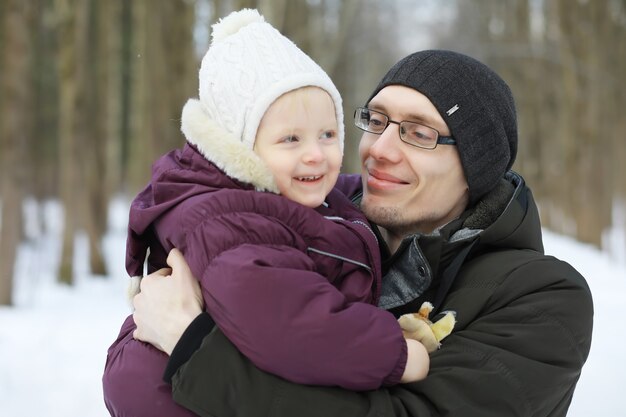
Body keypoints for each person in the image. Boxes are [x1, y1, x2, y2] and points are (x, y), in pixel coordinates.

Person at [131, 48, 594, 417]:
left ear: (477, 165)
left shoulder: (544, 298)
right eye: (376, 120)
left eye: (420, 133)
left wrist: (193, 348)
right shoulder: (304, 226)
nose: (380, 149)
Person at [102, 9, 433, 417]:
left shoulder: (280, 197)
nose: (315, 154)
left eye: (327, 134)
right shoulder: (231, 226)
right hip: (177, 399)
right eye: (290, 138)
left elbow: (343, 201)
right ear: (240, 150)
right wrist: (396, 353)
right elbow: (296, 329)